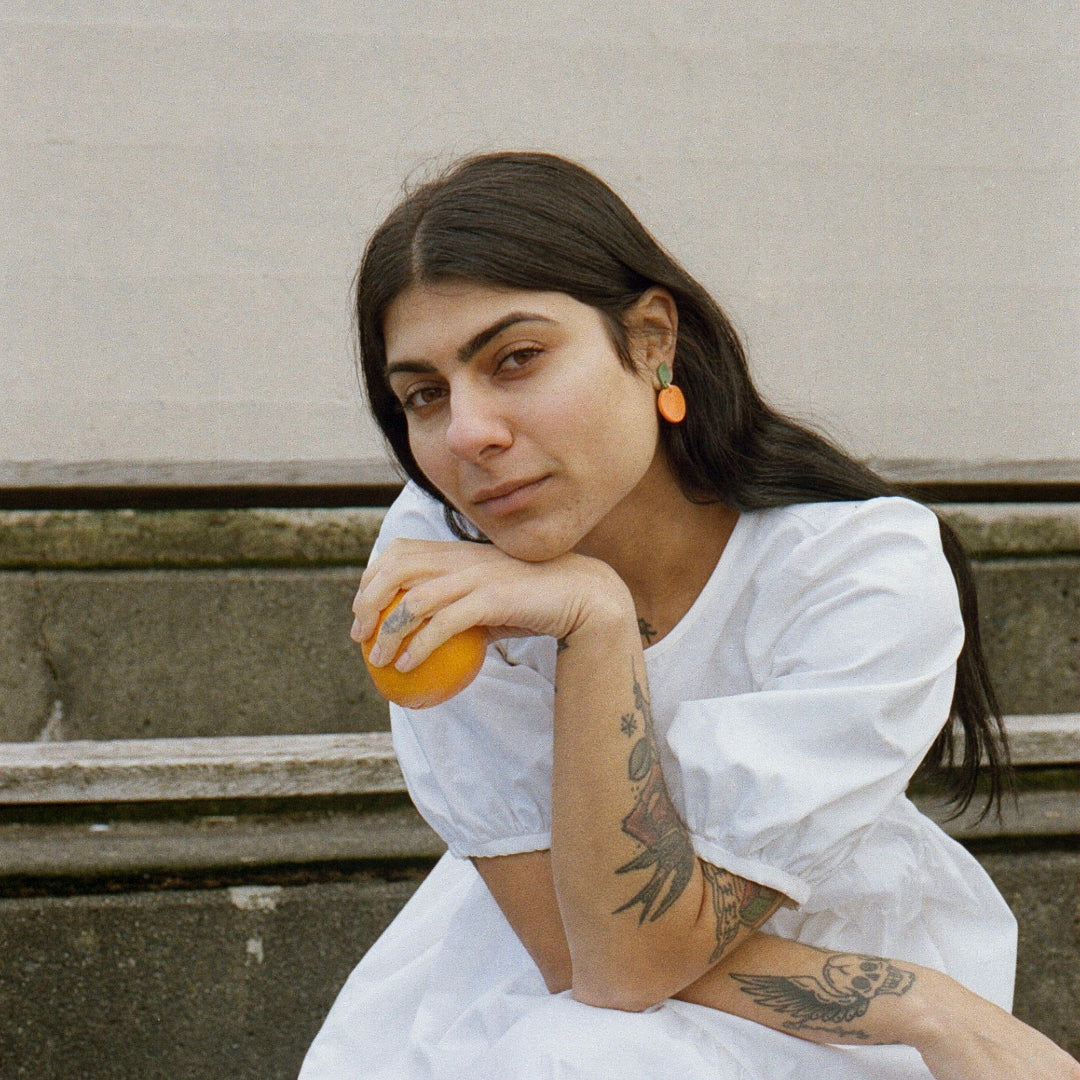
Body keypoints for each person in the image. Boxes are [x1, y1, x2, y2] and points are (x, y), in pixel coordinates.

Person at [301, 152, 1079, 1079]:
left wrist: (593, 620)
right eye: (424, 395)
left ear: (652, 339)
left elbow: (628, 962)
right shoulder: (445, 551)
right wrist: (925, 1005)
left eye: (517, 359)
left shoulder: (860, 569)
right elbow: (592, 959)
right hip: (529, 975)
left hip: (809, 964)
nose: (470, 433)